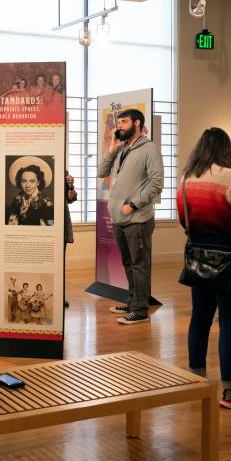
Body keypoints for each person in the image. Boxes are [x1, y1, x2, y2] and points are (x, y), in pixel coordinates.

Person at [177, 127, 231, 409]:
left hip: (198, 259)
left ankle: (196, 381)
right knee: (229, 325)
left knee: (199, 321)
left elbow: (183, 219)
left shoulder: (186, 179)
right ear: (226, 149)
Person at [97, 108, 164, 324]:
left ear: (137, 123)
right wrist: (112, 149)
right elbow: (101, 172)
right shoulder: (122, 148)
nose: (120, 126)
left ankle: (141, 310)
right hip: (118, 218)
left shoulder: (149, 149)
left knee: (139, 263)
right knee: (128, 262)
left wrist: (133, 204)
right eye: (119, 123)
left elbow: (156, 183)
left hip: (138, 218)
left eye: (124, 122)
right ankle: (133, 300)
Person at [63, 171, 78, 308]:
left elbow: (70, 199)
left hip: (61, 223)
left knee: (60, 262)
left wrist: (71, 185)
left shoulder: (64, 172)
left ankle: (60, 296)